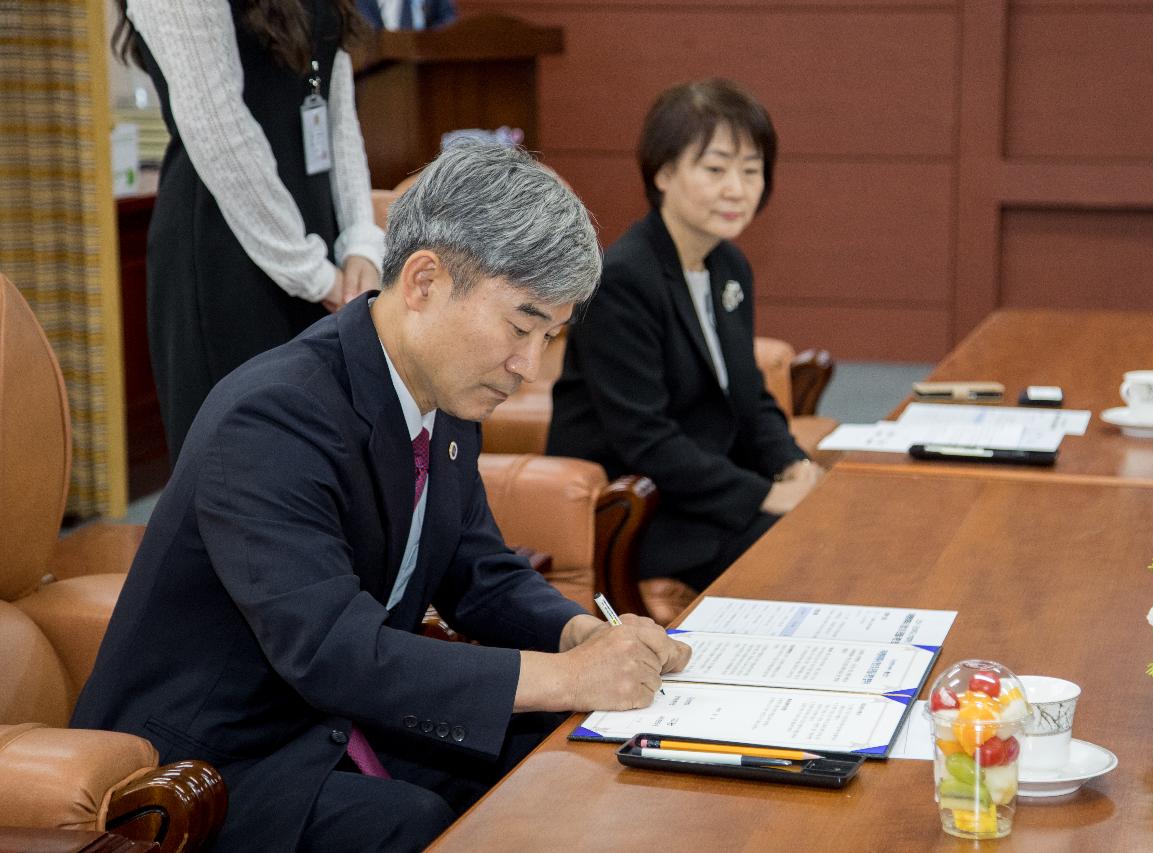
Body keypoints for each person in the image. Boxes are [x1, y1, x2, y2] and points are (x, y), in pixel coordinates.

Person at [72, 142, 691, 853]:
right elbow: (334, 650)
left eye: (548, 336)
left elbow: (478, 570)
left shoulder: (447, 398)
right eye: (520, 327)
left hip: (331, 720)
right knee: (410, 821)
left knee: (554, 752)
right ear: (424, 280)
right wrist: (568, 675)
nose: (528, 366)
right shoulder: (273, 416)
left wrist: (576, 634)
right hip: (209, 761)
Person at [547, 79, 822, 625]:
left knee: (828, 525)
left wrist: (794, 466)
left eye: (751, 169)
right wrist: (763, 496)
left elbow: (749, 398)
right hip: (649, 508)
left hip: (708, 489)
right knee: (805, 558)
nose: (737, 189)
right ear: (663, 173)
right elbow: (644, 439)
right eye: (716, 168)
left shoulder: (729, 267)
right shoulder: (623, 278)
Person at [114, 0, 385, 463]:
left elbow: (336, 108)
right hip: (228, 253)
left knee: (326, 472)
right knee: (248, 474)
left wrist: (360, 240)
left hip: (320, 253)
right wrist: (309, 271)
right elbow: (218, 126)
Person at [356, 0, 456, 31]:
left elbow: (448, 20)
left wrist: (428, 41)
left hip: (428, 67)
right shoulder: (363, 2)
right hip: (380, 71)